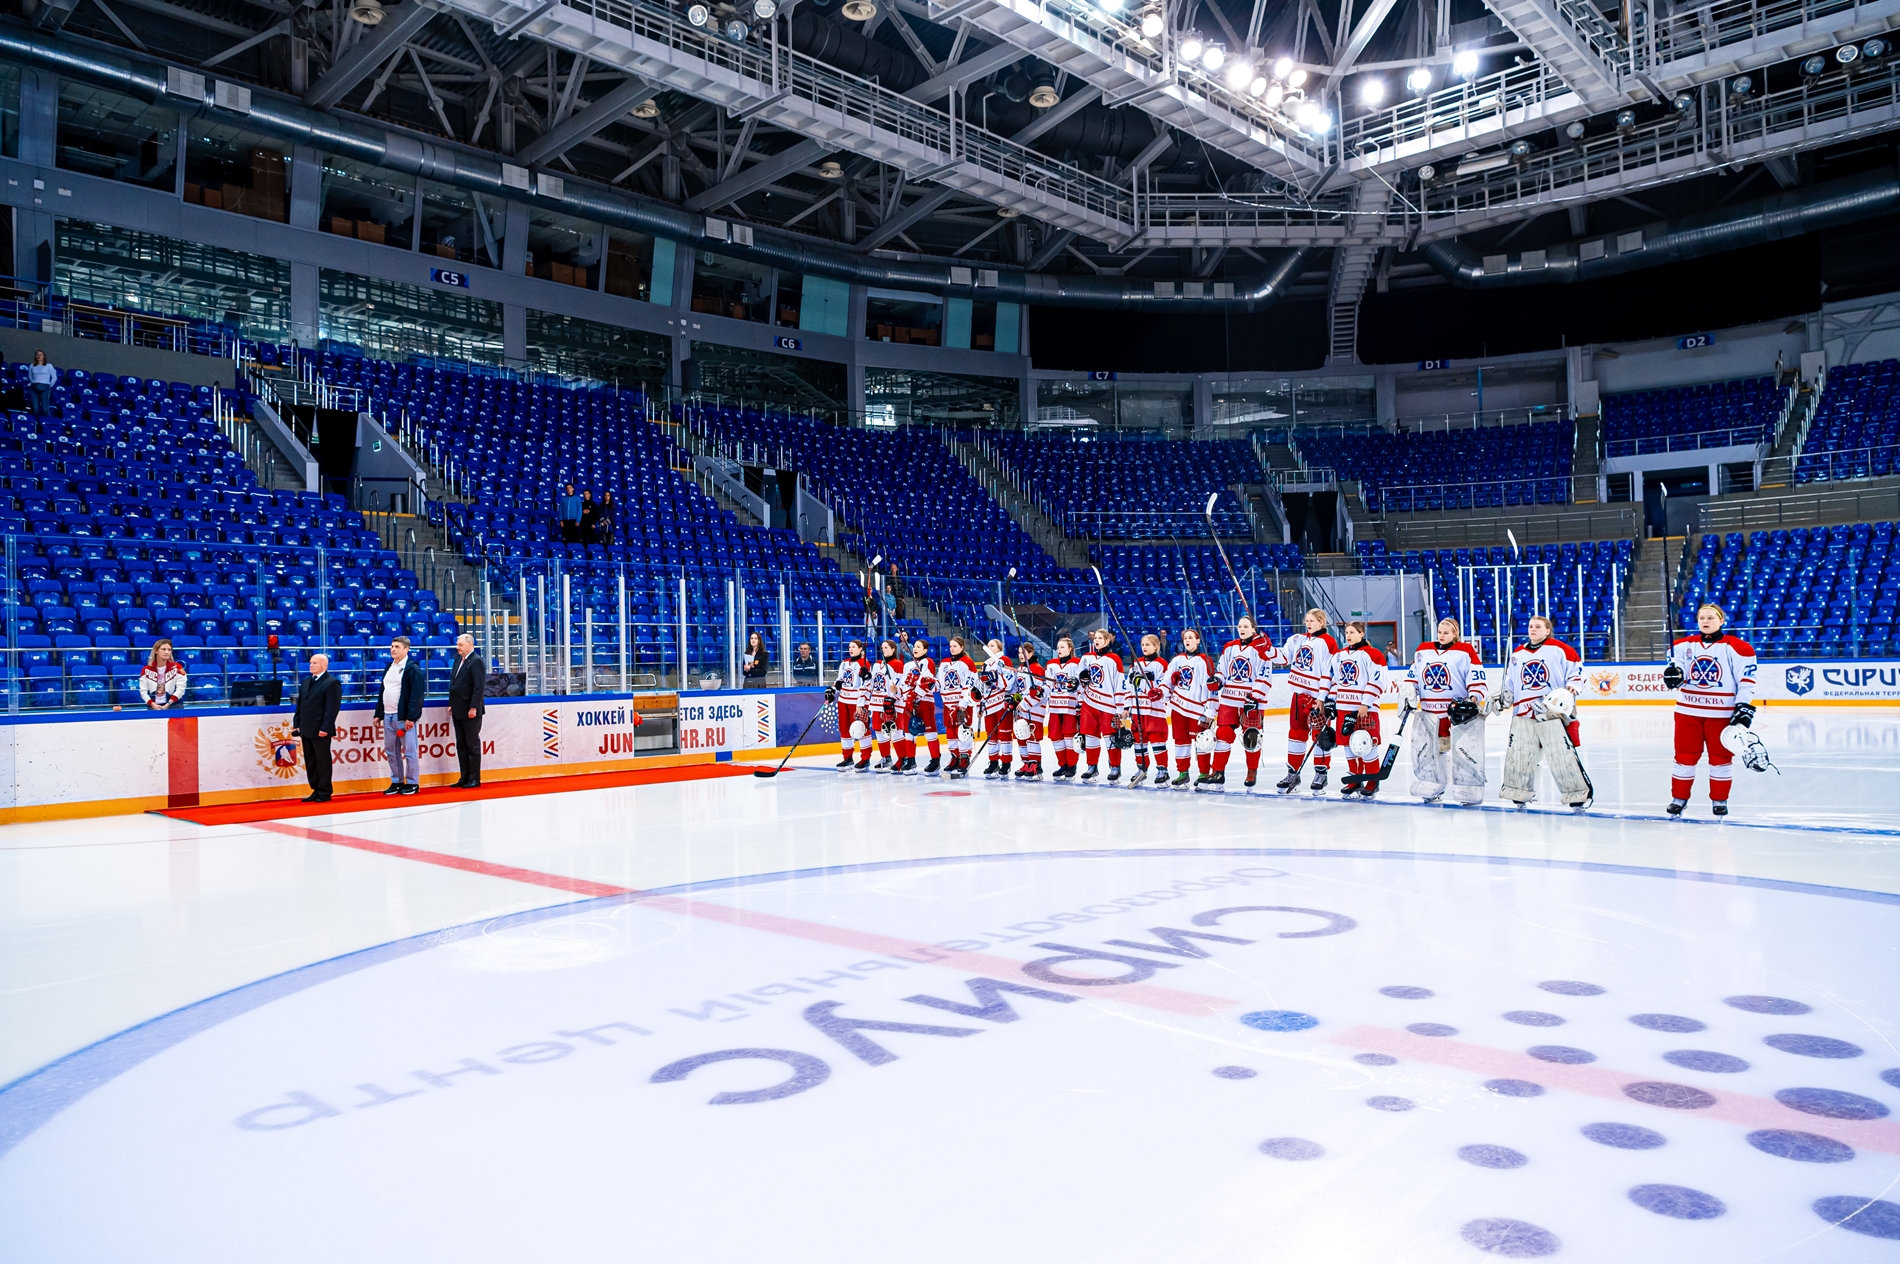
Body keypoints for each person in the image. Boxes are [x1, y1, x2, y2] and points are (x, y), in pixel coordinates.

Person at [1663, 603, 1758, 817]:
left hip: (1721, 715)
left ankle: (1719, 800)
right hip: (1688, 712)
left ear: (1722, 621)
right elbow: (1675, 675)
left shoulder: (1739, 648)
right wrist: (1672, 677)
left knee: (1720, 757)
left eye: (1711, 618)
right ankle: (1679, 798)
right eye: (1701, 618)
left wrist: (1743, 707)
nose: (1705, 622)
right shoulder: (1680, 646)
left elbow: (1747, 681)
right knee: (1684, 757)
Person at [1498, 615, 1591, 810]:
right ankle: (1521, 792)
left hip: (1552, 711)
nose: (1533, 629)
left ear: (1547, 630)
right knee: (1523, 754)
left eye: (1538, 627)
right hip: (1524, 712)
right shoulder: (1517, 653)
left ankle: (1576, 795)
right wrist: (1505, 696)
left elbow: (1578, 672)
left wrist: (1572, 688)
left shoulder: (1560, 649)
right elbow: (1511, 682)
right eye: (1531, 626)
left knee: (1560, 754)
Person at [1404, 618, 1488, 805]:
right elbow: (1413, 676)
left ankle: (1468, 787)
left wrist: (1474, 696)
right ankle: (1433, 783)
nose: (1442, 636)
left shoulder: (1465, 651)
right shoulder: (1423, 650)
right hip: (1430, 712)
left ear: (1455, 634)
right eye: (1440, 632)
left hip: (1456, 711)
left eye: (1446, 633)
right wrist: (1409, 691)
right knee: (1431, 750)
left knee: (1464, 748)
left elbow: (1476, 676)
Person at [1273, 609, 1339, 793]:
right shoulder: (1297, 639)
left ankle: (1321, 774)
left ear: (1321, 622)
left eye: (1312, 621)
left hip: (1318, 698)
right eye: (1306, 621)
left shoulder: (1328, 643)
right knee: (1295, 734)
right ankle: (1293, 773)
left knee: (1321, 736)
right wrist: (1267, 648)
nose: (1308, 624)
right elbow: (1283, 657)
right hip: (1298, 695)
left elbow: (1330, 672)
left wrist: (1325, 698)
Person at [1208, 614, 1273, 789]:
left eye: (1246, 626)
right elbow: (1222, 669)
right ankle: (1218, 772)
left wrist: (1255, 696)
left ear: (1253, 629)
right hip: (1229, 698)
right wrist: (1217, 680)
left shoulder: (1261, 649)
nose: (1242, 629)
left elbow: (1265, 675)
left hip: (1250, 701)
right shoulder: (1230, 647)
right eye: (1239, 626)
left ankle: (1252, 771)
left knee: (1251, 737)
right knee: (1223, 733)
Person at [1329, 621, 1388, 798]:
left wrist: (1366, 703)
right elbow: (1336, 681)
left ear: (1361, 634)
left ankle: (1372, 780)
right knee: (1348, 743)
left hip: (1364, 709)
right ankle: (1354, 777)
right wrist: (1331, 701)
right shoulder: (1338, 656)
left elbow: (1378, 680)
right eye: (1346, 632)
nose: (1348, 635)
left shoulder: (1373, 654)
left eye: (1352, 632)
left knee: (1366, 743)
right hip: (1343, 707)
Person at [374, 635, 426, 795]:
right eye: (392, 646)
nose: (393, 649)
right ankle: (396, 781)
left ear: (406, 649)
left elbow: (417, 695)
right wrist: (379, 713)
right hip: (388, 716)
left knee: (409, 751)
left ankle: (412, 782)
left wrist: (412, 717)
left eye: (397, 647)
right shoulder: (389, 667)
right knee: (391, 751)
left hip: (403, 717)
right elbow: (383, 691)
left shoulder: (412, 669)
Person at [1164, 628, 1216, 788]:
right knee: (1180, 741)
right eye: (1185, 638)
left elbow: (1211, 687)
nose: (1187, 640)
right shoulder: (1177, 660)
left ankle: (1204, 773)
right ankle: (1183, 773)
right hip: (1178, 708)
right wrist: (1163, 691)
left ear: (1198, 641)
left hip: (1197, 710)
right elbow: (1166, 681)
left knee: (1201, 742)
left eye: (1191, 638)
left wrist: (1210, 709)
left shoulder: (1204, 660)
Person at [1076, 628, 1125, 782]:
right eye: (1095, 637)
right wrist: (1079, 681)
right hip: (1089, 703)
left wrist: (1120, 708)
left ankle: (1115, 767)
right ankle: (1092, 767)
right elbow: (1079, 682)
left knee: (1111, 738)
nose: (1096, 640)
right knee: (1090, 737)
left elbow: (1119, 684)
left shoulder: (1114, 659)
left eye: (1100, 638)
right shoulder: (1086, 658)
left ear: (1107, 639)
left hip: (1108, 705)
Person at [291, 652, 342, 802]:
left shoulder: (332, 682)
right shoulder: (306, 681)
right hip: (306, 728)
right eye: (311, 662)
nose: (311, 665)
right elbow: (300, 704)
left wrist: (325, 728)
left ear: (324, 665)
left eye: (315, 663)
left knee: (322, 760)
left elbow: (332, 708)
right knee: (310, 760)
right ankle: (316, 788)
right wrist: (297, 723)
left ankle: (325, 791)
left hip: (321, 729)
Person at [1125, 633, 1170, 787]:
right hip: (1138, 710)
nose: (1144, 647)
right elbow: (1129, 687)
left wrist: (1146, 681)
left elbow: (1162, 686)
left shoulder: (1161, 664)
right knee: (1138, 740)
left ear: (1156, 647)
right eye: (1143, 644)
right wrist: (1127, 706)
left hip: (1154, 710)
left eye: (1148, 644)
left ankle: (1162, 770)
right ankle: (1141, 769)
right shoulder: (1135, 665)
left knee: (1157, 740)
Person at [937, 636, 982, 778]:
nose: (952, 648)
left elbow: (971, 684)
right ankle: (954, 758)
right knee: (950, 732)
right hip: (948, 704)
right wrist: (931, 683)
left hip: (962, 704)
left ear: (962, 647)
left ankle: (964, 758)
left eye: (955, 646)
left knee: (962, 731)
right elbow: (940, 682)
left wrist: (963, 703)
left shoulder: (967, 662)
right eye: (950, 646)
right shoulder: (944, 663)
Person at [896, 639, 942, 775]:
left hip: (924, 702)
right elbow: (904, 685)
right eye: (914, 646)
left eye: (918, 647)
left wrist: (914, 696)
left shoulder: (928, 662)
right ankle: (910, 760)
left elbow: (929, 683)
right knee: (909, 732)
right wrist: (906, 698)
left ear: (925, 650)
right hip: (909, 703)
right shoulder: (907, 665)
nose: (915, 648)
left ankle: (935, 760)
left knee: (930, 732)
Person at [448, 633, 486, 789]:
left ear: (470, 645)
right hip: (458, 708)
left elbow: (479, 687)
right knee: (461, 745)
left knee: (472, 745)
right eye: (457, 644)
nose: (458, 647)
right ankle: (464, 776)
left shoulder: (476, 661)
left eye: (460, 645)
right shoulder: (458, 660)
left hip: (470, 710)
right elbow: (454, 684)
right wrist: (452, 703)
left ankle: (474, 778)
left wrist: (473, 707)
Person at [1043, 635, 1084, 779]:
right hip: (1055, 706)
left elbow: (1082, 685)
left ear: (1070, 649)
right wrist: (1041, 690)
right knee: (1055, 736)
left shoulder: (1077, 663)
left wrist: (1080, 703)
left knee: (1069, 736)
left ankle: (1072, 766)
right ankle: (1063, 764)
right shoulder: (1051, 664)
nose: (1059, 650)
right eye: (1058, 647)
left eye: (1062, 647)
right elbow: (1048, 686)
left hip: (1070, 706)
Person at [977, 639, 1016, 778]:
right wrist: (980, 703)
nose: (989, 647)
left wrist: (995, 678)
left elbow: (1009, 682)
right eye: (988, 646)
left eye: (992, 645)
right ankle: (993, 762)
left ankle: (1006, 763)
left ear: (999, 648)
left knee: (1004, 734)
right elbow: (982, 686)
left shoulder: (1004, 660)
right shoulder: (986, 664)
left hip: (1002, 702)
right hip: (989, 703)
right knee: (991, 735)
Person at [1009, 642, 1048, 780]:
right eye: (1019, 653)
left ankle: (1036, 765)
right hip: (1022, 709)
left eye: (1023, 653)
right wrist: (1014, 700)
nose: (1021, 655)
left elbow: (1038, 692)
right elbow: (1017, 689)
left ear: (1031, 654)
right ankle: (1026, 763)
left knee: (1032, 737)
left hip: (1034, 709)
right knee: (1021, 736)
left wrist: (1025, 703)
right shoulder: (1020, 668)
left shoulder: (1037, 669)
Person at [833, 639, 870, 769]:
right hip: (843, 701)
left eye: (854, 647)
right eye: (849, 647)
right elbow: (838, 681)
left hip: (857, 702)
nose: (851, 649)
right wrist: (832, 690)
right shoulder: (844, 664)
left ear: (861, 649)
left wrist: (861, 703)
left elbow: (867, 684)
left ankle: (865, 758)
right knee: (844, 729)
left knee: (861, 728)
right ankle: (847, 757)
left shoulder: (864, 663)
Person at [868, 639, 903, 770]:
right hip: (876, 702)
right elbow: (873, 682)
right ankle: (886, 757)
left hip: (891, 703)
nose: (883, 650)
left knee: (895, 730)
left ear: (893, 649)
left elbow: (899, 684)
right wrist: (866, 676)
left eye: (886, 648)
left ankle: (902, 758)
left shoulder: (897, 664)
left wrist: (893, 698)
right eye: (882, 648)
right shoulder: (877, 665)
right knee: (878, 729)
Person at [138, 637, 187, 709]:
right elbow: (143, 692)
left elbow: (181, 689)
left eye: (169, 650)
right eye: (163, 649)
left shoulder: (177, 667)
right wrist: (152, 704)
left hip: (174, 705)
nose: (167, 652)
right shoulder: (146, 670)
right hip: (153, 706)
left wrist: (168, 704)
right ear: (156, 651)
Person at [26, 350, 56, 418]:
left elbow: (54, 377)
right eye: (37, 354)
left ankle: (49, 422)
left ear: (44, 356)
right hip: (34, 386)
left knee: (45, 409)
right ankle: (36, 423)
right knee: (35, 408)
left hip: (45, 386)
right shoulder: (32, 365)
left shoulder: (48, 365)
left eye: (40, 354)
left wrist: (49, 385)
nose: (39, 356)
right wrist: (34, 382)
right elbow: (30, 376)